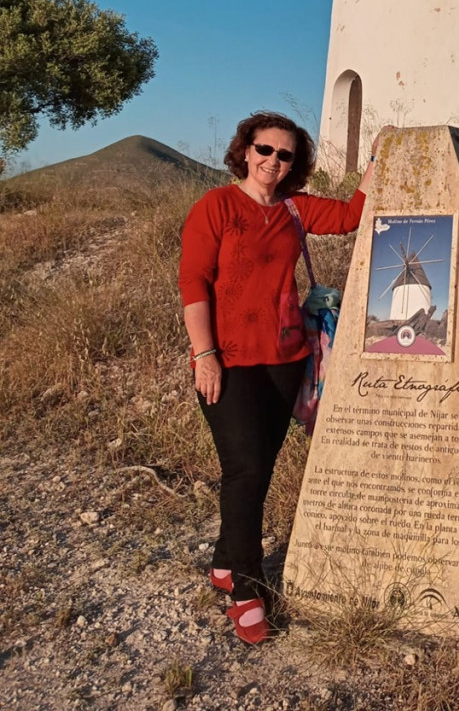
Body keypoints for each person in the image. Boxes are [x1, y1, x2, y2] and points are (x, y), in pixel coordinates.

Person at [178, 110, 378, 644]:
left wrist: (379, 156)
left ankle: (225, 560)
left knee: (259, 468)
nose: (272, 161)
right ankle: (246, 588)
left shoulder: (295, 208)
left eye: (284, 154)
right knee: (243, 467)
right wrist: (205, 354)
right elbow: (193, 283)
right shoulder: (216, 206)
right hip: (228, 360)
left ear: (295, 163)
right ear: (245, 150)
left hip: (286, 358)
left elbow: (351, 216)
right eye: (264, 150)